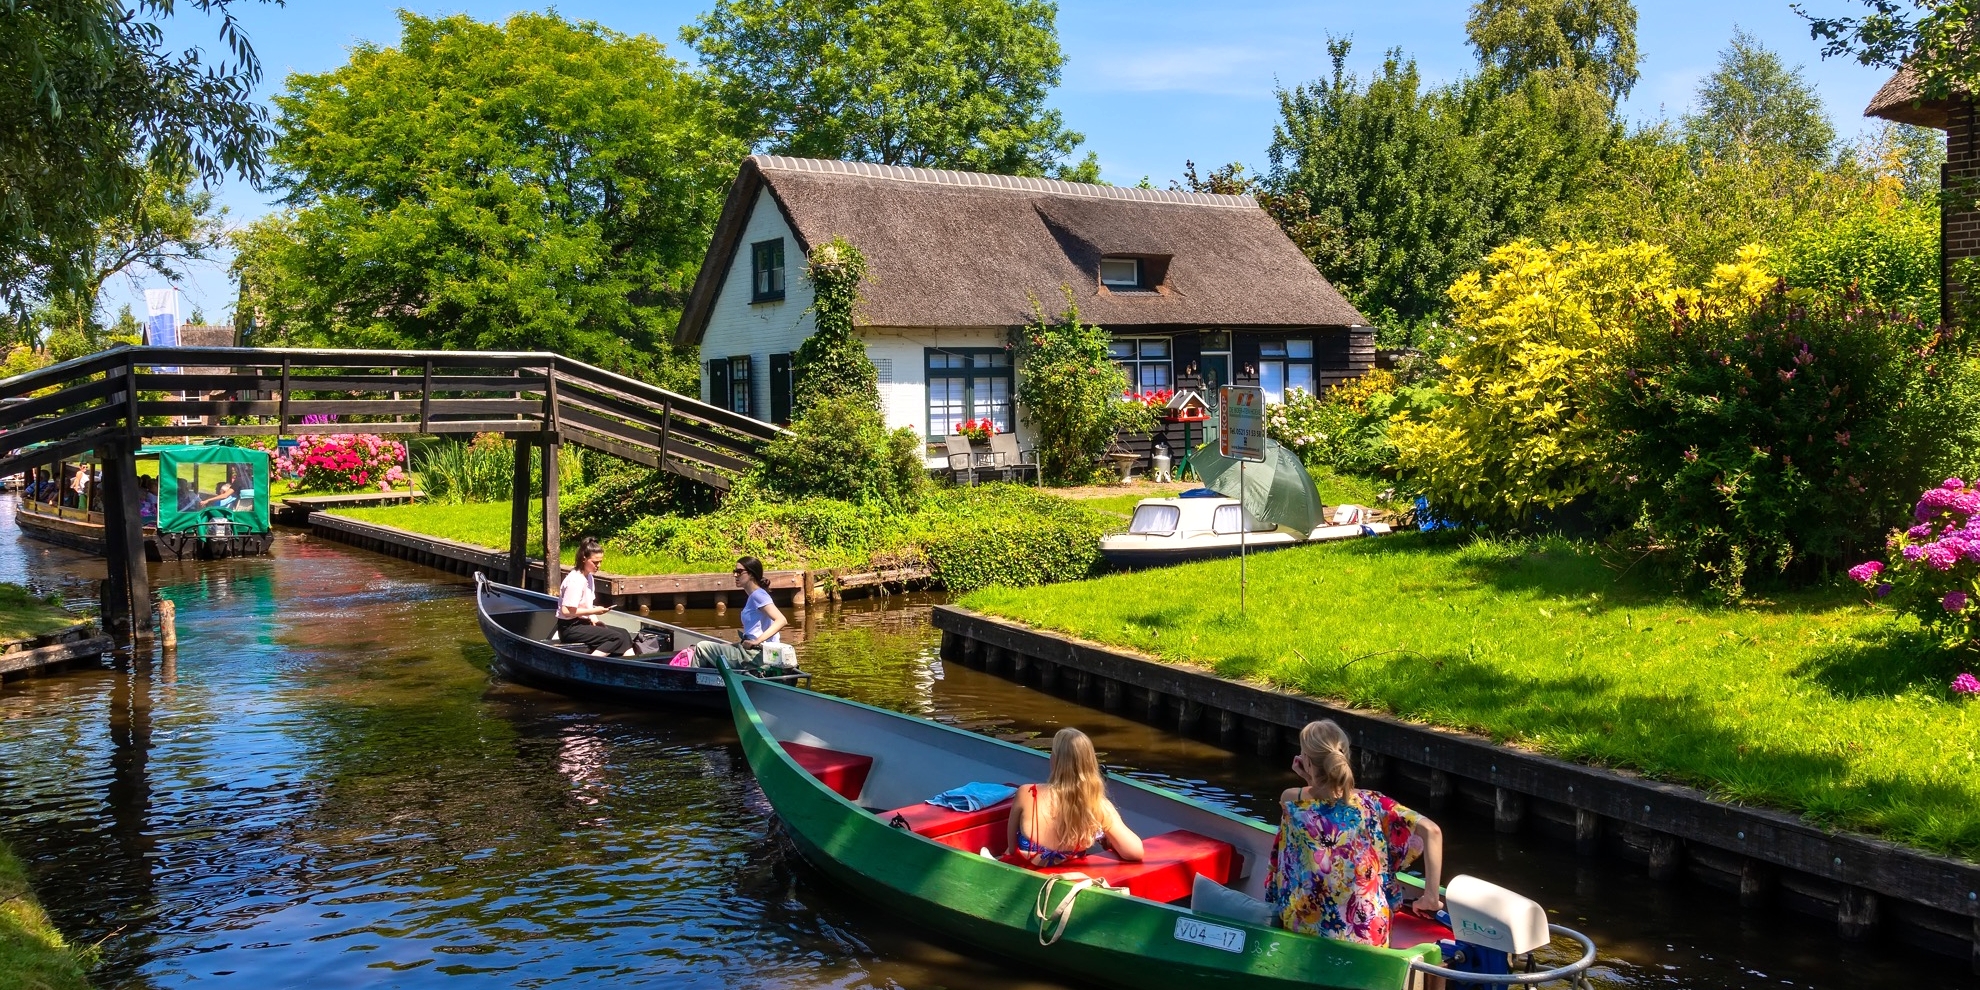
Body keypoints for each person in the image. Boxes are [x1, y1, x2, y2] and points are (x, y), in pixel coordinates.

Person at [1265, 720, 1444, 947]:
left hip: (1309, 929)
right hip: (1369, 931)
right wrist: (1430, 897)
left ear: (1307, 761)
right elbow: (1433, 831)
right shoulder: (1374, 802)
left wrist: (1308, 779)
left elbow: (1319, 799)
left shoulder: (1291, 799)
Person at [1004, 727, 1144, 867]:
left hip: (1026, 879)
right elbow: (1134, 852)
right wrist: (1106, 836)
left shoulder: (1027, 793)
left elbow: (1011, 849)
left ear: (1055, 760)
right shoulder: (1097, 805)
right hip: (1067, 883)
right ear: (1089, 764)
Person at [556, 538, 633, 656]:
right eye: (595, 562)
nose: (599, 565)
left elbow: (587, 604)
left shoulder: (589, 577)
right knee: (616, 638)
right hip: (570, 628)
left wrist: (595, 619)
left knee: (624, 633)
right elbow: (566, 611)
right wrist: (595, 611)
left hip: (583, 623)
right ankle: (591, 664)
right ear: (584, 559)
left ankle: (631, 664)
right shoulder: (575, 581)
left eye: (600, 562)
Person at [734, 556, 787, 650]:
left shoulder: (758, 595)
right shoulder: (753, 596)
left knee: (703, 647)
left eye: (739, 572)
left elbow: (781, 620)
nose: (735, 575)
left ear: (751, 574)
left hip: (761, 652)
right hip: (752, 649)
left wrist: (757, 641)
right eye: (734, 571)